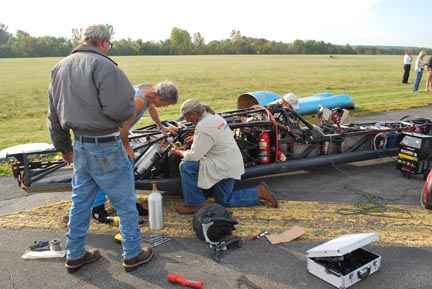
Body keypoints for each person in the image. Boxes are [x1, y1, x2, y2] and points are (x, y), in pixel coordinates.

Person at [48, 24, 153, 273]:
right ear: (105, 43)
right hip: (106, 144)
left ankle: (74, 254)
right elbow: (120, 110)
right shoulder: (105, 66)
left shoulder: (59, 67)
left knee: (80, 203)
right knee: (125, 202)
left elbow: (53, 114)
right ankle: (132, 253)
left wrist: (64, 147)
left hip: (80, 146)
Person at [171, 99, 279, 215]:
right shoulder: (214, 117)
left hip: (222, 164)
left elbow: (193, 156)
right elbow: (215, 136)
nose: (188, 121)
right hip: (231, 161)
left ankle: (194, 204)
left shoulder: (203, 126)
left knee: (186, 166)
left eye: (187, 118)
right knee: (223, 201)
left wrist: (179, 152)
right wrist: (197, 139)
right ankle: (259, 192)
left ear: (193, 114)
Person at [92, 81, 179, 222]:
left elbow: (151, 108)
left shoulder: (149, 90)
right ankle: (98, 209)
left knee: (125, 168)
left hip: (113, 133)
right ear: (161, 98)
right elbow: (123, 127)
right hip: (108, 134)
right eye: (166, 104)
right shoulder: (138, 100)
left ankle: (127, 203)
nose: (165, 107)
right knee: (109, 169)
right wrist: (127, 147)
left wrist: (161, 127)